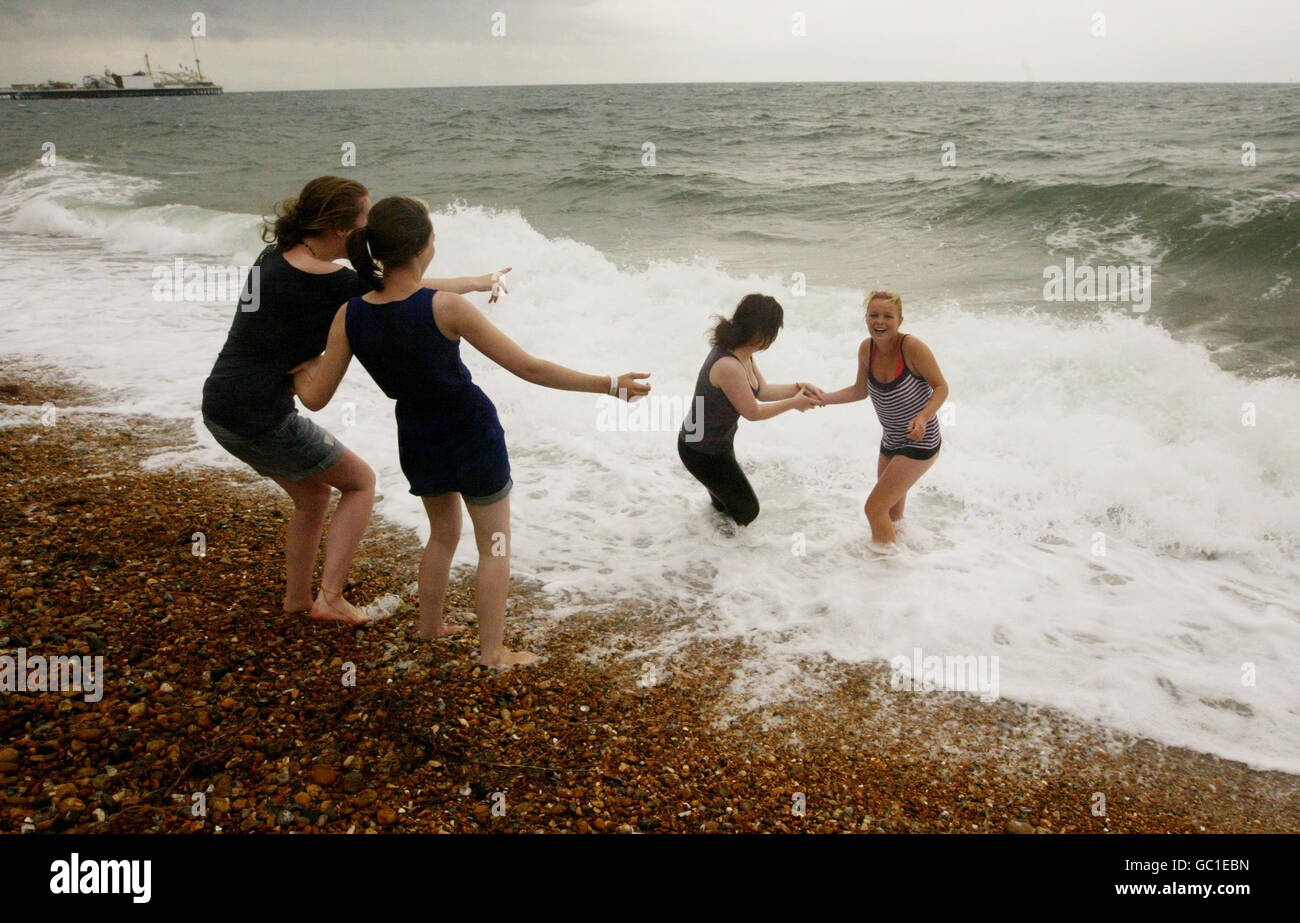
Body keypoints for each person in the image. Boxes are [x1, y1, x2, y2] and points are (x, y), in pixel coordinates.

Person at [290, 195, 651, 668]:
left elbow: (315, 396)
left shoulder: (351, 314)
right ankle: (492, 652)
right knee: (494, 545)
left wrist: (291, 362)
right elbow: (530, 368)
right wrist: (607, 385)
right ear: (423, 249)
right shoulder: (447, 308)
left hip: (416, 434)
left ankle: (429, 627)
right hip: (471, 432)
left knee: (441, 535)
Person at [201, 176, 508, 625]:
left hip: (224, 403)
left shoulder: (279, 257)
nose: (372, 229)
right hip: (257, 415)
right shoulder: (329, 280)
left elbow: (399, 285)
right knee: (359, 482)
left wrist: (476, 282)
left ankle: (297, 600)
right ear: (343, 230)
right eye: (366, 217)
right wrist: (476, 284)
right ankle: (328, 598)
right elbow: (405, 291)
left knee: (312, 496)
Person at [677, 294, 824, 526]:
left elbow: (762, 390)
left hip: (716, 444)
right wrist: (795, 403)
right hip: (700, 450)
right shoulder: (728, 365)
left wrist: (798, 387)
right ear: (760, 332)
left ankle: (708, 548)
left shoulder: (744, 353)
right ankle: (718, 551)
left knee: (725, 508)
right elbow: (753, 412)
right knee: (747, 511)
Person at [821, 290, 949, 544]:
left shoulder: (911, 347)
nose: (880, 322)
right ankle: (898, 567)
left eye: (888, 316)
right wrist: (823, 398)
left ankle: (882, 567)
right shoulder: (866, 349)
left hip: (920, 442)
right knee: (891, 513)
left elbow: (942, 387)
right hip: (890, 442)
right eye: (873, 315)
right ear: (866, 318)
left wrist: (923, 417)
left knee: (874, 509)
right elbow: (859, 391)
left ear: (900, 320)